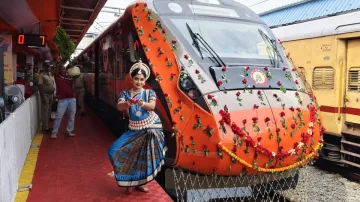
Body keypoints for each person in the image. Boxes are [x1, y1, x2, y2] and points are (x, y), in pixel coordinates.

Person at [108, 59, 166, 194]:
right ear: (132, 79)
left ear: (144, 81)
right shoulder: (125, 94)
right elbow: (119, 106)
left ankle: (140, 183)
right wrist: (128, 103)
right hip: (133, 129)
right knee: (113, 150)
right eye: (136, 79)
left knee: (144, 157)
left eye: (141, 79)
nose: (139, 82)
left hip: (149, 127)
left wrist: (142, 104)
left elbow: (152, 106)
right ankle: (127, 179)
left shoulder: (149, 93)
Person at [51, 66, 76, 139]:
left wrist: (74, 80)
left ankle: (69, 131)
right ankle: (54, 132)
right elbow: (54, 69)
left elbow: (74, 88)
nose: (63, 70)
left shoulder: (70, 78)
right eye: (62, 69)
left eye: (64, 69)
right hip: (62, 99)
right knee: (59, 116)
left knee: (71, 116)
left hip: (72, 98)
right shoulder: (56, 77)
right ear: (59, 70)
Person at [38, 64, 55, 134]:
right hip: (45, 95)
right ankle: (45, 129)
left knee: (48, 111)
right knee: (45, 112)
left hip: (50, 95)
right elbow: (40, 86)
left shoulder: (50, 75)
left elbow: (52, 85)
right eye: (47, 66)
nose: (48, 67)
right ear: (44, 67)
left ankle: (46, 126)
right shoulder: (41, 75)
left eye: (49, 66)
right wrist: (42, 96)